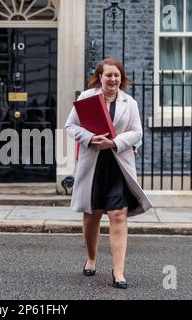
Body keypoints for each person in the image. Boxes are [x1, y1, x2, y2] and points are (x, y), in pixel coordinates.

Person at [65, 58, 153, 289]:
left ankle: (118, 271)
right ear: (100, 77)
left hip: (117, 166)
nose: (113, 79)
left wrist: (114, 142)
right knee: (92, 214)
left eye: (117, 76)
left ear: (121, 79)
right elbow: (70, 126)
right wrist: (90, 138)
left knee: (118, 215)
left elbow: (137, 132)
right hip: (93, 165)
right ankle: (92, 259)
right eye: (109, 75)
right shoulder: (86, 98)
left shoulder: (129, 102)